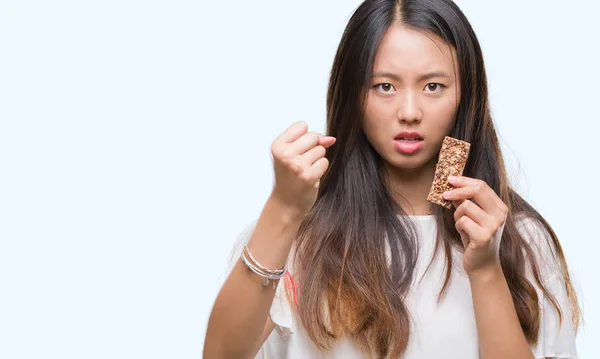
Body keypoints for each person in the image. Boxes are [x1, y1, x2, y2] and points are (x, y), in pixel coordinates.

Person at [203, 0, 581, 358]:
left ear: (466, 96)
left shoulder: (522, 240)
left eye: (433, 86)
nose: (409, 111)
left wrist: (486, 270)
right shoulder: (299, 237)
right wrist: (283, 209)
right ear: (352, 94)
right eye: (384, 86)